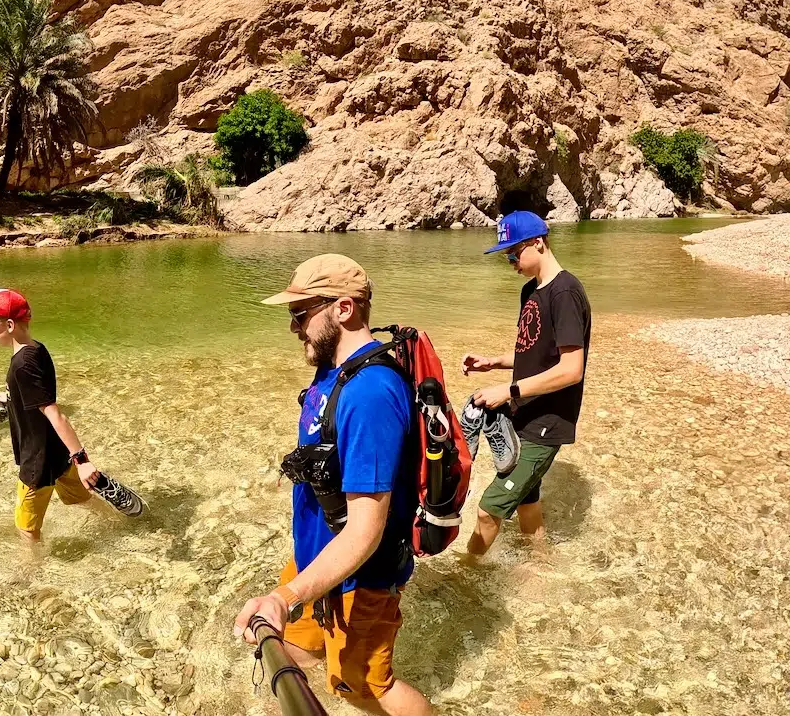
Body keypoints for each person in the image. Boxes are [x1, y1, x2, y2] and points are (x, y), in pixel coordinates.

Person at [233, 255, 432, 716]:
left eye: (299, 315)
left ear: (343, 309)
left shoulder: (370, 394)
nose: (293, 328)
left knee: (365, 689)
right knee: (288, 649)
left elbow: (366, 531)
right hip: (318, 556)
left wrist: (286, 597)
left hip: (361, 577)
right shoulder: (333, 372)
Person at [0, 288, 144, 547]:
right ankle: (124, 524)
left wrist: (83, 460)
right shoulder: (36, 350)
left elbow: (54, 412)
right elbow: (36, 395)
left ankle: (31, 577)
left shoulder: (23, 364)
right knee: (80, 498)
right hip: (56, 452)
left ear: (9, 324)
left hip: (37, 460)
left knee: (26, 528)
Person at [461, 211, 592, 556]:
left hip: (548, 421)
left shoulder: (565, 293)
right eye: (506, 256)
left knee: (490, 508)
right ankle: (540, 562)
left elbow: (571, 369)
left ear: (538, 242)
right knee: (526, 501)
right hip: (525, 413)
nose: (510, 262)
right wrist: (494, 362)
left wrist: (508, 390)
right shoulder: (530, 291)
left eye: (513, 253)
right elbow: (535, 352)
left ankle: (465, 575)